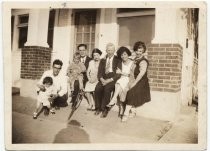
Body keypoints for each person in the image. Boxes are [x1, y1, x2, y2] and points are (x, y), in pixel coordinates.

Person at [122, 41, 151, 122]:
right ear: (135, 50)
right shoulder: (135, 59)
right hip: (134, 80)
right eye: (137, 51)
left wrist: (133, 84)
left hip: (142, 82)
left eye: (141, 51)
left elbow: (141, 74)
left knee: (131, 92)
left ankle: (125, 114)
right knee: (125, 90)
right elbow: (131, 72)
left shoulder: (143, 61)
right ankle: (133, 111)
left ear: (143, 51)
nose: (138, 53)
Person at [94, 43, 121, 118]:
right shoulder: (103, 60)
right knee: (97, 89)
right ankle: (98, 108)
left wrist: (109, 80)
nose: (109, 52)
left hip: (112, 78)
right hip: (103, 77)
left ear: (114, 51)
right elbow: (99, 72)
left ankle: (105, 109)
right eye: (108, 50)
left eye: (111, 50)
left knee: (107, 89)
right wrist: (102, 79)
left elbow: (118, 74)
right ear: (106, 50)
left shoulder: (118, 60)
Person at [106, 46, 133, 118]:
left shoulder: (132, 63)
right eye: (121, 55)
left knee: (119, 83)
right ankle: (121, 107)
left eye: (125, 54)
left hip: (129, 79)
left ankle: (114, 101)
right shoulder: (120, 63)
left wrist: (122, 73)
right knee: (119, 83)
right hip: (121, 79)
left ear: (128, 54)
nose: (123, 56)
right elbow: (117, 73)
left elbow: (132, 75)